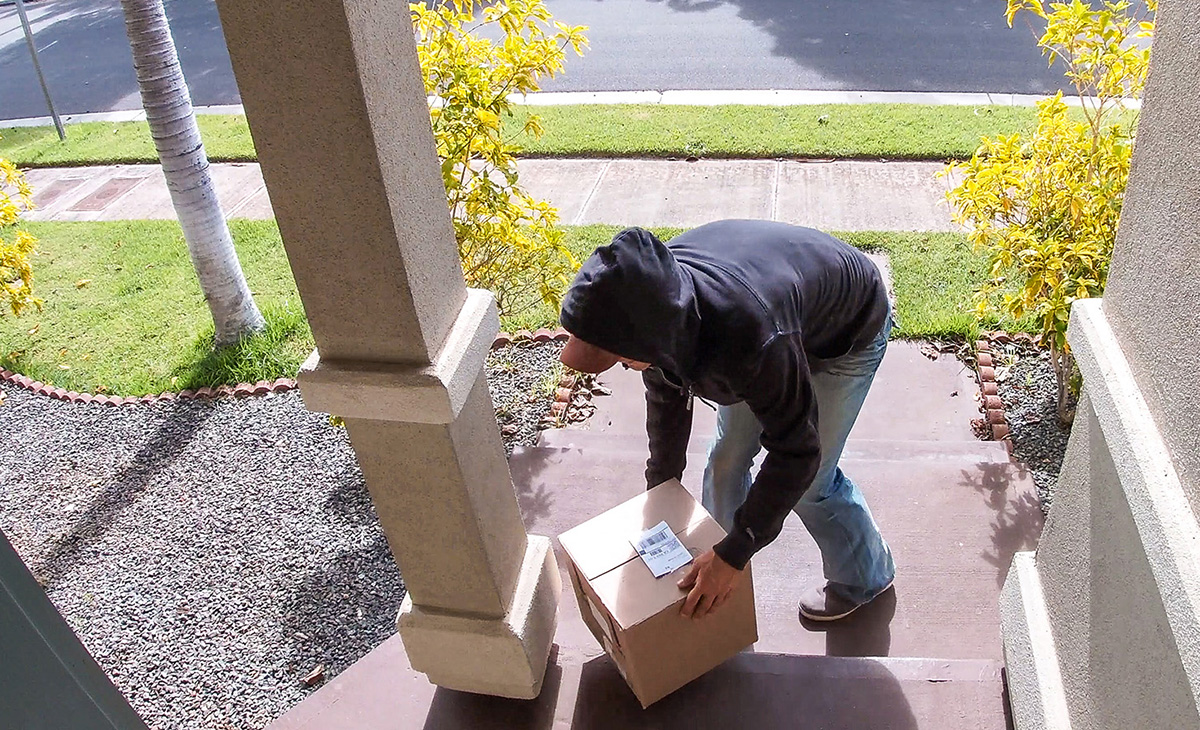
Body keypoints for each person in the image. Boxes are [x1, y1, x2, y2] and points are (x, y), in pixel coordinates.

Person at [558, 220, 895, 623]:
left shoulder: (749, 340)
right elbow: (667, 400)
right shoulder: (654, 304)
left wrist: (736, 553)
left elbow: (797, 452)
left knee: (811, 484)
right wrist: (661, 489)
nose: (623, 366)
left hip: (847, 330)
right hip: (777, 314)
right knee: (725, 460)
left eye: (620, 358)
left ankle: (864, 577)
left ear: (652, 338)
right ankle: (716, 583)